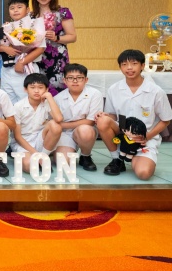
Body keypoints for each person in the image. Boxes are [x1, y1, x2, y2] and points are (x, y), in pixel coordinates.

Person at [96, 50, 172, 180]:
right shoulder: (114, 89)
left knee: (144, 174)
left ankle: (137, 157)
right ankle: (117, 160)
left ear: (142, 66)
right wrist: (104, 116)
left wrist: (147, 136)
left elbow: (166, 120)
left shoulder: (155, 91)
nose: (129, 68)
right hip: (122, 134)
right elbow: (113, 115)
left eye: (134, 64)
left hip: (145, 138)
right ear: (120, 67)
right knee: (103, 120)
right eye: (124, 64)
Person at [0, 0, 46, 103]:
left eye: (19, 7)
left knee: (27, 101)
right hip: (7, 69)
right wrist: (3, 48)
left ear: (27, 9)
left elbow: (40, 49)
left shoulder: (35, 26)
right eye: (12, 8)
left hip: (27, 67)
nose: (15, 10)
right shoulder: (5, 28)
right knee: (8, 102)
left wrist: (22, 62)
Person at [54, 63, 103, 172]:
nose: (75, 81)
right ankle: (64, 150)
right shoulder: (58, 98)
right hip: (65, 133)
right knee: (63, 164)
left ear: (86, 80)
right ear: (64, 80)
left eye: (79, 78)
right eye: (70, 78)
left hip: (86, 131)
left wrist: (63, 125)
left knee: (84, 129)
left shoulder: (95, 94)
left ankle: (85, 156)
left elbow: (90, 122)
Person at [31, 0, 77, 95]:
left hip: (58, 60)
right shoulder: (31, 16)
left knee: (58, 92)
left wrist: (56, 38)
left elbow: (73, 37)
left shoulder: (63, 12)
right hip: (37, 59)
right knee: (38, 92)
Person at [10, 73, 63, 173]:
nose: (36, 91)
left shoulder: (47, 103)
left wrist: (49, 97)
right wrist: (36, 154)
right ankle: (37, 158)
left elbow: (59, 119)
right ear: (25, 89)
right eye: (32, 87)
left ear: (46, 89)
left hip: (40, 139)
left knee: (55, 125)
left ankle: (44, 156)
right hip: (23, 142)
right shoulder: (18, 106)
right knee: (29, 166)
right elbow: (17, 137)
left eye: (40, 87)